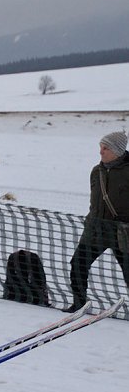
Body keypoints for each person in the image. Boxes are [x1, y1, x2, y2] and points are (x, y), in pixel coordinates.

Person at [64, 130, 129, 312]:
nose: (101, 152)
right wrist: (90, 221)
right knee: (78, 263)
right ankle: (79, 303)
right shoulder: (96, 171)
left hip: (122, 233)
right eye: (100, 147)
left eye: (105, 148)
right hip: (95, 230)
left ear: (118, 151)